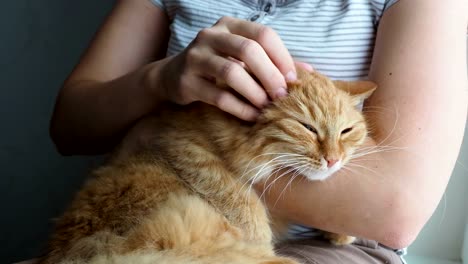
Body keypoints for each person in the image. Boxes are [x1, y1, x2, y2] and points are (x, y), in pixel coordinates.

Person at [49, 0, 468, 263]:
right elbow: (68, 128)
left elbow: (396, 213)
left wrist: (169, 138)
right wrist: (158, 81)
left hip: (329, 246)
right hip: (148, 212)